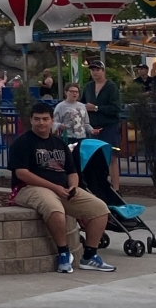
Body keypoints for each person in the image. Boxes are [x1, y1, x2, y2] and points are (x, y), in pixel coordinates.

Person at [9, 98, 114, 274]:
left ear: (52, 120)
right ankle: (64, 254)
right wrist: (54, 187)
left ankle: (89, 256)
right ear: (31, 120)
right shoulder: (22, 143)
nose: (41, 123)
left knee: (100, 209)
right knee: (55, 209)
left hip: (62, 189)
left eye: (45, 119)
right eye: (37, 119)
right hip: (29, 188)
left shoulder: (59, 143)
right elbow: (22, 174)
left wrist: (73, 187)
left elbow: (72, 172)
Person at [82, 60, 123, 185]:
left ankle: (116, 188)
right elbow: (82, 103)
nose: (95, 72)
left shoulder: (111, 87)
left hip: (109, 127)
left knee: (112, 157)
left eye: (97, 70)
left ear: (103, 71)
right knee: (94, 158)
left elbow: (116, 108)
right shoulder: (88, 87)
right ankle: (97, 186)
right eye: (92, 70)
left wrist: (96, 108)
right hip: (93, 128)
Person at [52, 82, 89, 147]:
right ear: (66, 92)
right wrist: (60, 125)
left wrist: (92, 130)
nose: (74, 93)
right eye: (72, 91)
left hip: (81, 137)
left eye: (76, 92)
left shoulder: (82, 106)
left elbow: (86, 123)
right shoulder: (60, 106)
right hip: (67, 137)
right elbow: (53, 122)